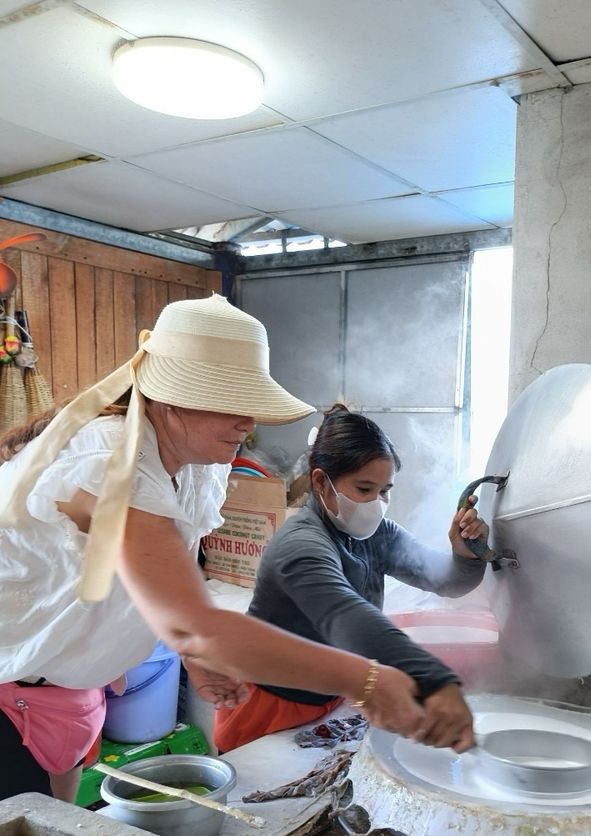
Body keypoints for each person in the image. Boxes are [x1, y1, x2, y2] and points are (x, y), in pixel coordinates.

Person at [0, 295, 430, 805]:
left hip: (66, 691)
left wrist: (190, 650)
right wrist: (366, 679)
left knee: (54, 833)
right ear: (170, 398)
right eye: (230, 402)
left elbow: (150, 577)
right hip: (11, 686)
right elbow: (194, 619)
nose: (248, 423)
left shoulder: (199, 465)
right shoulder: (112, 460)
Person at [213, 404, 486, 755]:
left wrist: (466, 555)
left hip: (333, 694)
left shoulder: (378, 534)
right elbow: (347, 616)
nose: (377, 503)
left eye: (385, 491)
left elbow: (445, 581)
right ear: (320, 482)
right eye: (363, 488)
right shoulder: (299, 545)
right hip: (269, 707)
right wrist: (435, 682)